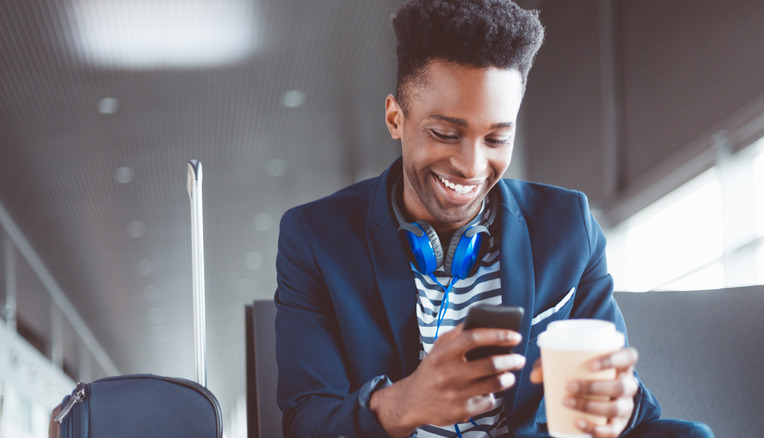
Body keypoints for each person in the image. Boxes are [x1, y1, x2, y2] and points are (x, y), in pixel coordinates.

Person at [274, 0, 714, 437]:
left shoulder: (566, 226)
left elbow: (629, 404)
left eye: (497, 138)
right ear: (395, 117)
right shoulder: (315, 238)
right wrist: (405, 402)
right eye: (445, 134)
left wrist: (619, 401)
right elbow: (307, 422)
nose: (471, 165)